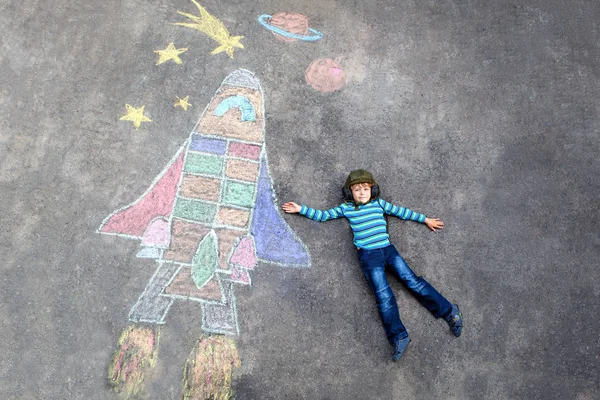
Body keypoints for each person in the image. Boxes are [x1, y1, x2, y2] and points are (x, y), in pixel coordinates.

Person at [282, 169, 463, 361]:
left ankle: (449, 311)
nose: (361, 193)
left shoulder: (379, 204)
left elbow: (401, 212)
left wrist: (425, 219)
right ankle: (399, 336)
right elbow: (323, 215)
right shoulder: (346, 208)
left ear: (372, 190)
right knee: (384, 296)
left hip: (388, 251)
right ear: (349, 192)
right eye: (357, 189)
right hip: (369, 257)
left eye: (365, 189)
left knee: (413, 281)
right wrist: (301, 209)